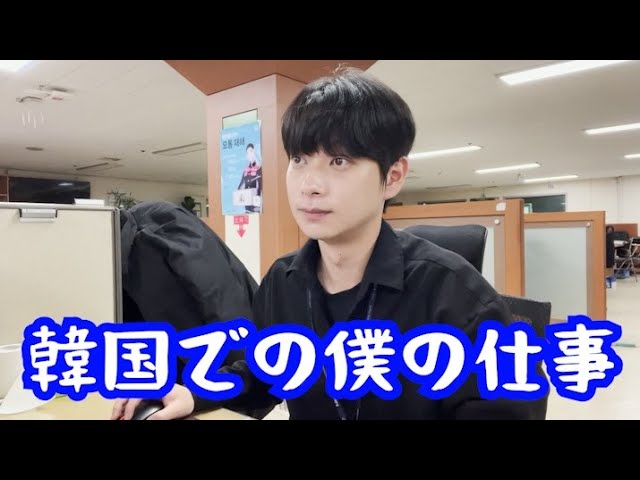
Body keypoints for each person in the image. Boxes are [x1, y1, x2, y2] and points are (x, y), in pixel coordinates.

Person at [112, 67, 547, 421]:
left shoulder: (455, 295)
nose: (310, 185)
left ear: (393, 176)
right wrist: (194, 393)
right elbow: (263, 372)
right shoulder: (284, 281)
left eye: (339, 161)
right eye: (299, 160)